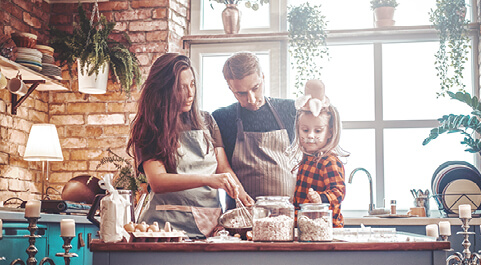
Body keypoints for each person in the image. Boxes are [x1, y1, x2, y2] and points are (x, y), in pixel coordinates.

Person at [126, 53, 252, 239]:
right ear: (164, 89)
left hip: (209, 226)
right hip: (164, 228)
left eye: (192, 84)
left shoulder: (207, 121)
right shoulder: (149, 127)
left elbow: (223, 167)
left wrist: (242, 195)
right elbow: (158, 181)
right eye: (181, 87)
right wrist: (208, 179)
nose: (190, 93)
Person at [212, 52, 297, 209]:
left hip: (288, 215)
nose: (251, 99)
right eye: (241, 93)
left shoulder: (290, 109)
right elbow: (221, 167)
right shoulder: (221, 118)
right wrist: (240, 194)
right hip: (242, 215)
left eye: (255, 88)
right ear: (230, 88)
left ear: (263, 77)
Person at [291, 79, 349, 228]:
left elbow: (338, 192)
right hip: (307, 227)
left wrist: (321, 199)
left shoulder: (329, 161)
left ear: (330, 132)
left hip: (327, 229)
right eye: (305, 130)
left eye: (318, 131)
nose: (310, 135)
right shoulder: (307, 159)